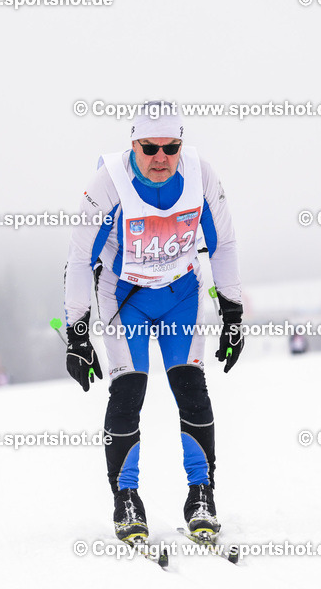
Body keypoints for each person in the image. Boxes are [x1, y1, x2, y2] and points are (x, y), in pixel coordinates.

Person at [63, 101, 243, 544]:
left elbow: (223, 245)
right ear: (133, 145)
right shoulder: (107, 184)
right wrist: (76, 334)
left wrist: (233, 313)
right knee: (129, 391)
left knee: (191, 388)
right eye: (149, 148)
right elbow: (80, 261)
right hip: (127, 300)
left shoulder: (202, 176)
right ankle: (126, 499)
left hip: (181, 295)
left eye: (171, 147)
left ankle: (201, 494)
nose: (161, 157)